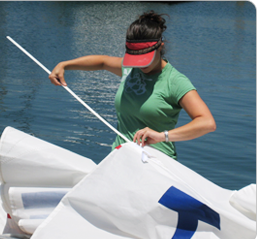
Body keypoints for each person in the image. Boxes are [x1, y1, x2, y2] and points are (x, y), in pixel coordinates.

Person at [49, 11, 216, 160]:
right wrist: (65, 65)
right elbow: (102, 62)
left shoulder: (175, 81)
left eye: (145, 58)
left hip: (157, 164)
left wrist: (162, 136)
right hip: (121, 158)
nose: (141, 65)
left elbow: (207, 123)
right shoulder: (130, 69)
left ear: (161, 46)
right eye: (136, 58)